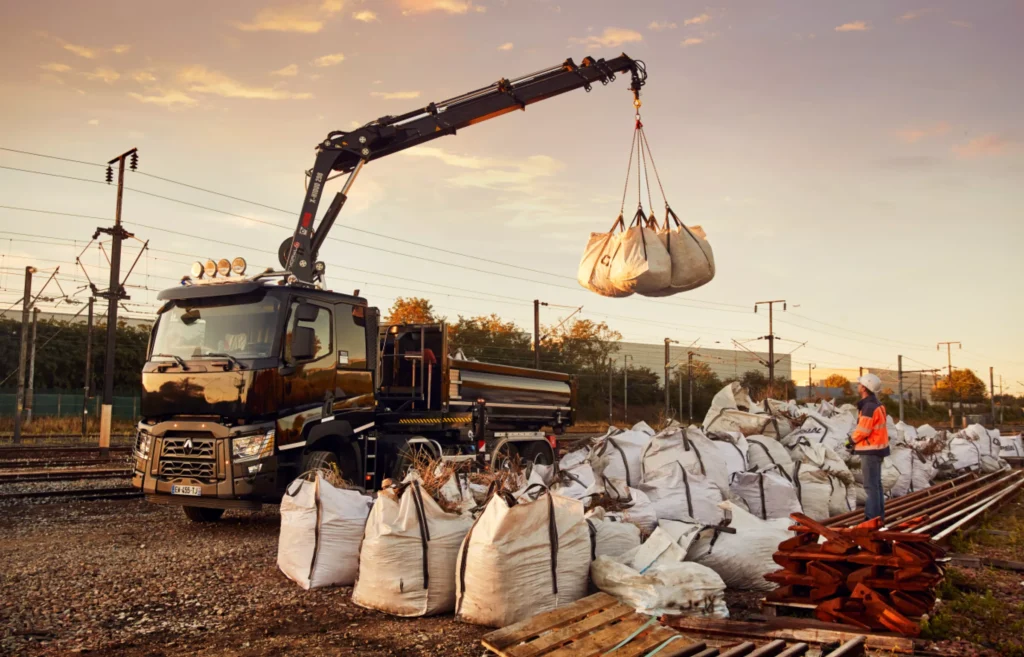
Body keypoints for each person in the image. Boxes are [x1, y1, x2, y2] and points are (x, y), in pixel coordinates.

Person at [849, 373, 890, 523]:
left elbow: (863, 431)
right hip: (878, 449)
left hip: (870, 449)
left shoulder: (868, 407)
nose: (858, 386)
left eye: (860, 384)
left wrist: (850, 441)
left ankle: (871, 519)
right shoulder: (877, 404)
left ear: (865, 387)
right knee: (876, 485)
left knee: (870, 486)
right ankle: (879, 517)